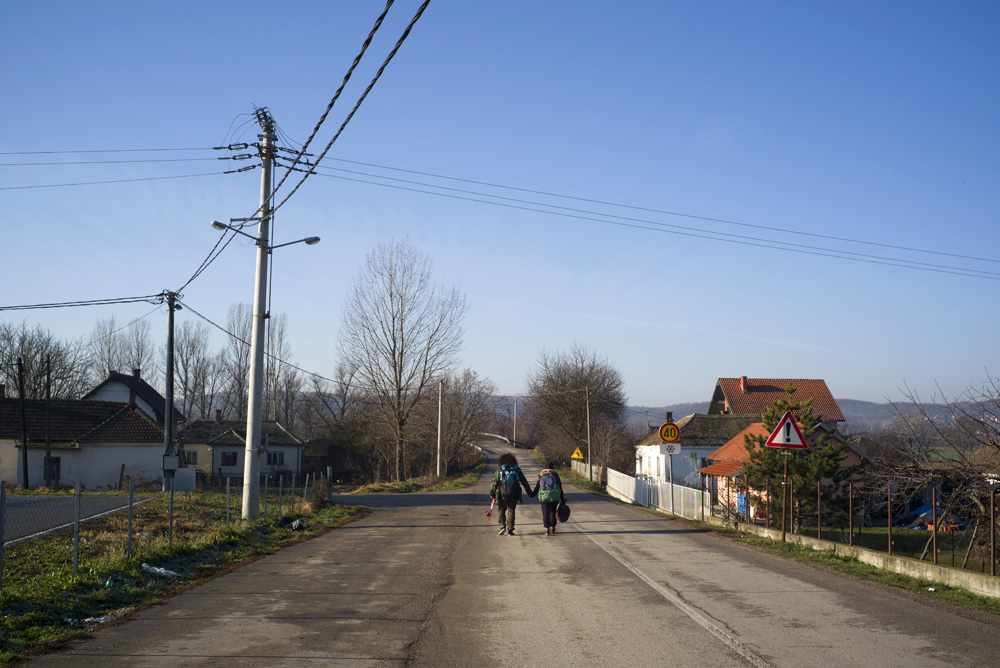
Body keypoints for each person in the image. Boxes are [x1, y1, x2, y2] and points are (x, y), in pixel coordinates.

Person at [489, 452, 533, 536]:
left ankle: (502, 526)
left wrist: (492, 493)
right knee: (511, 511)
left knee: (501, 510)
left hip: (502, 494)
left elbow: (494, 482)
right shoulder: (516, 469)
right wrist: (530, 493)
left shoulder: (500, 470)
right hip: (514, 493)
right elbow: (524, 482)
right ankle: (510, 529)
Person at [530, 461, 566, 535]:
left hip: (544, 497)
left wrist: (533, 494)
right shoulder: (555, 475)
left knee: (545, 513)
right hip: (554, 497)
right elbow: (559, 487)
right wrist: (562, 497)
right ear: (552, 467)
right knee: (552, 512)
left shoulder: (542, 475)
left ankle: (546, 529)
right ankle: (552, 527)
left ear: (545, 467)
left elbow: (538, 486)